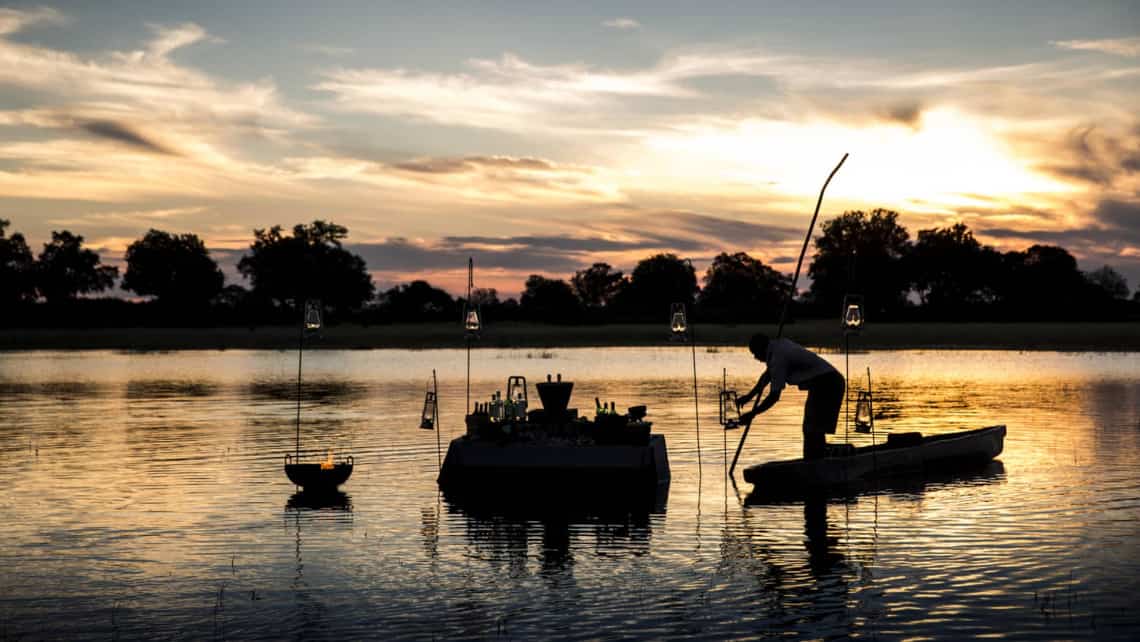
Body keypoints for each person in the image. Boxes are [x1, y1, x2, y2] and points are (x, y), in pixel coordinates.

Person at [736, 333, 844, 459]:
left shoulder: (778, 358)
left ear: (762, 349)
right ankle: (815, 459)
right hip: (821, 385)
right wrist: (749, 397)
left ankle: (815, 461)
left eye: (755, 353)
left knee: (813, 429)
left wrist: (752, 414)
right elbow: (768, 375)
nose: (756, 358)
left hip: (828, 384)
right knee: (811, 429)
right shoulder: (777, 348)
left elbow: (774, 397)